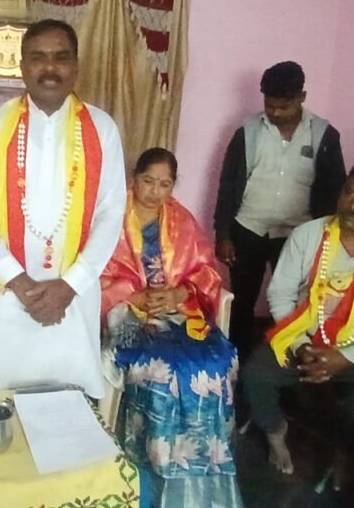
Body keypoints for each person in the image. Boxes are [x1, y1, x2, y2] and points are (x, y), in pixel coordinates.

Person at [0, 19, 126, 398]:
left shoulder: (102, 129)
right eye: (38, 58)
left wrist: (70, 285)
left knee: (66, 405)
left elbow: (111, 212)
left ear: (76, 66)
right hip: (4, 300)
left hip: (71, 299)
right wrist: (18, 281)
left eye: (60, 57)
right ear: (22, 67)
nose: (49, 68)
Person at [242, 158, 354, 478]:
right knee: (254, 374)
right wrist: (300, 346)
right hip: (302, 339)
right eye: (350, 193)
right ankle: (275, 433)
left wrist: (344, 358)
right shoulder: (308, 235)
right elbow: (281, 294)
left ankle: (346, 448)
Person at [101, 148, 242, 508]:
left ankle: (204, 476)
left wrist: (179, 293)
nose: (155, 191)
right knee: (163, 370)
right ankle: (152, 468)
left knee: (215, 364)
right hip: (129, 314)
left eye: (164, 184)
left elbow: (206, 272)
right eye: (148, 181)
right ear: (134, 178)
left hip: (179, 312)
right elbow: (93, 276)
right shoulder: (110, 216)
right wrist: (134, 295)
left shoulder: (181, 220)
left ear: (173, 185)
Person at [214, 61, 346, 357]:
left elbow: (334, 188)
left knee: (294, 302)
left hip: (297, 235)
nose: (274, 112)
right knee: (242, 301)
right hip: (248, 229)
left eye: (283, 107)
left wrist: (326, 238)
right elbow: (228, 183)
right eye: (269, 105)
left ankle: (284, 358)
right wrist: (223, 233)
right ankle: (237, 361)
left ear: (302, 97)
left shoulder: (324, 135)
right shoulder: (247, 132)